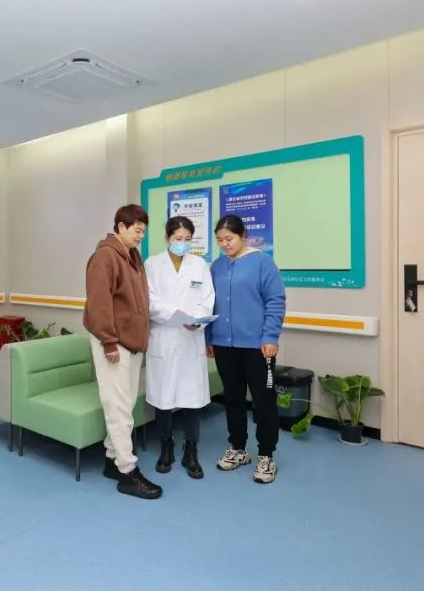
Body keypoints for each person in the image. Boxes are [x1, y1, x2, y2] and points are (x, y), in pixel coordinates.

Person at [83, 204, 163, 500]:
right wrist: (108, 342)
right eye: (136, 230)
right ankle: (128, 472)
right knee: (117, 407)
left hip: (131, 343)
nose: (141, 235)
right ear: (120, 227)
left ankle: (111, 459)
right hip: (113, 343)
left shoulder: (132, 256)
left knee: (125, 405)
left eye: (144, 231)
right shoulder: (105, 257)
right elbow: (98, 303)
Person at [205, 214, 286, 484]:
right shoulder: (216, 266)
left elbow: (275, 300)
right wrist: (208, 338)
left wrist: (271, 336)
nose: (224, 244)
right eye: (219, 240)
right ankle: (238, 448)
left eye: (229, 239)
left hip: (257, 346)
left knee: (264, 400)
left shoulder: (263, 262)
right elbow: (208, 304)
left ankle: (266, 455)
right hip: (224, 345)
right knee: (232, 398)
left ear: (243, 235)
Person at [144, 216, 214, 480]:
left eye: (187, 239)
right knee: (163, 397)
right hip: (164, 336)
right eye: (177, 238)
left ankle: (191, 449)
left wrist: (197, 318)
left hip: (190, 338)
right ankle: (167, 446)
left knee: (192, 397)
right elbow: (150, 300)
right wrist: (177, 314)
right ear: (167, 238)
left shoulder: (200, 265)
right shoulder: (152, 264)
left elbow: (207, 299)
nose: (182, 243)